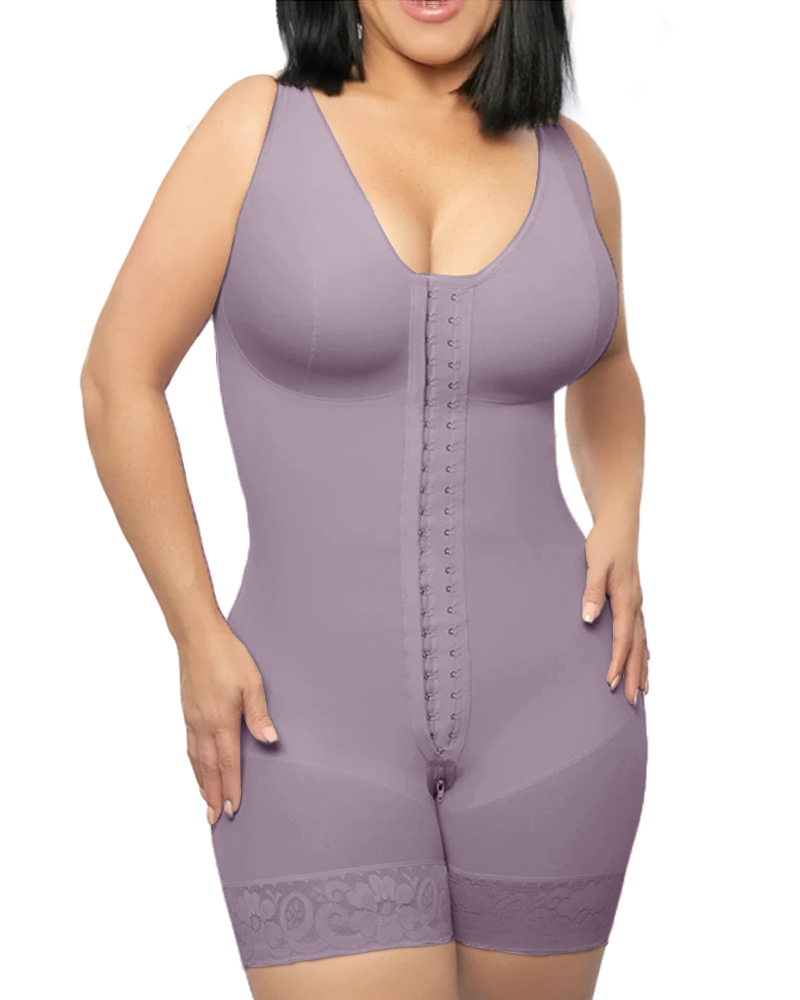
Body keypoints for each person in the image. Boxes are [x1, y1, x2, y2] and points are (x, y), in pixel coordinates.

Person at [80, 1, 649, 997]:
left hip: (562, 714)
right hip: (299, 721)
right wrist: (195, 630)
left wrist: (621, 514)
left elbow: (607, 362)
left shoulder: (576, 166)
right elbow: (117, 380)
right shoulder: (254, 129)